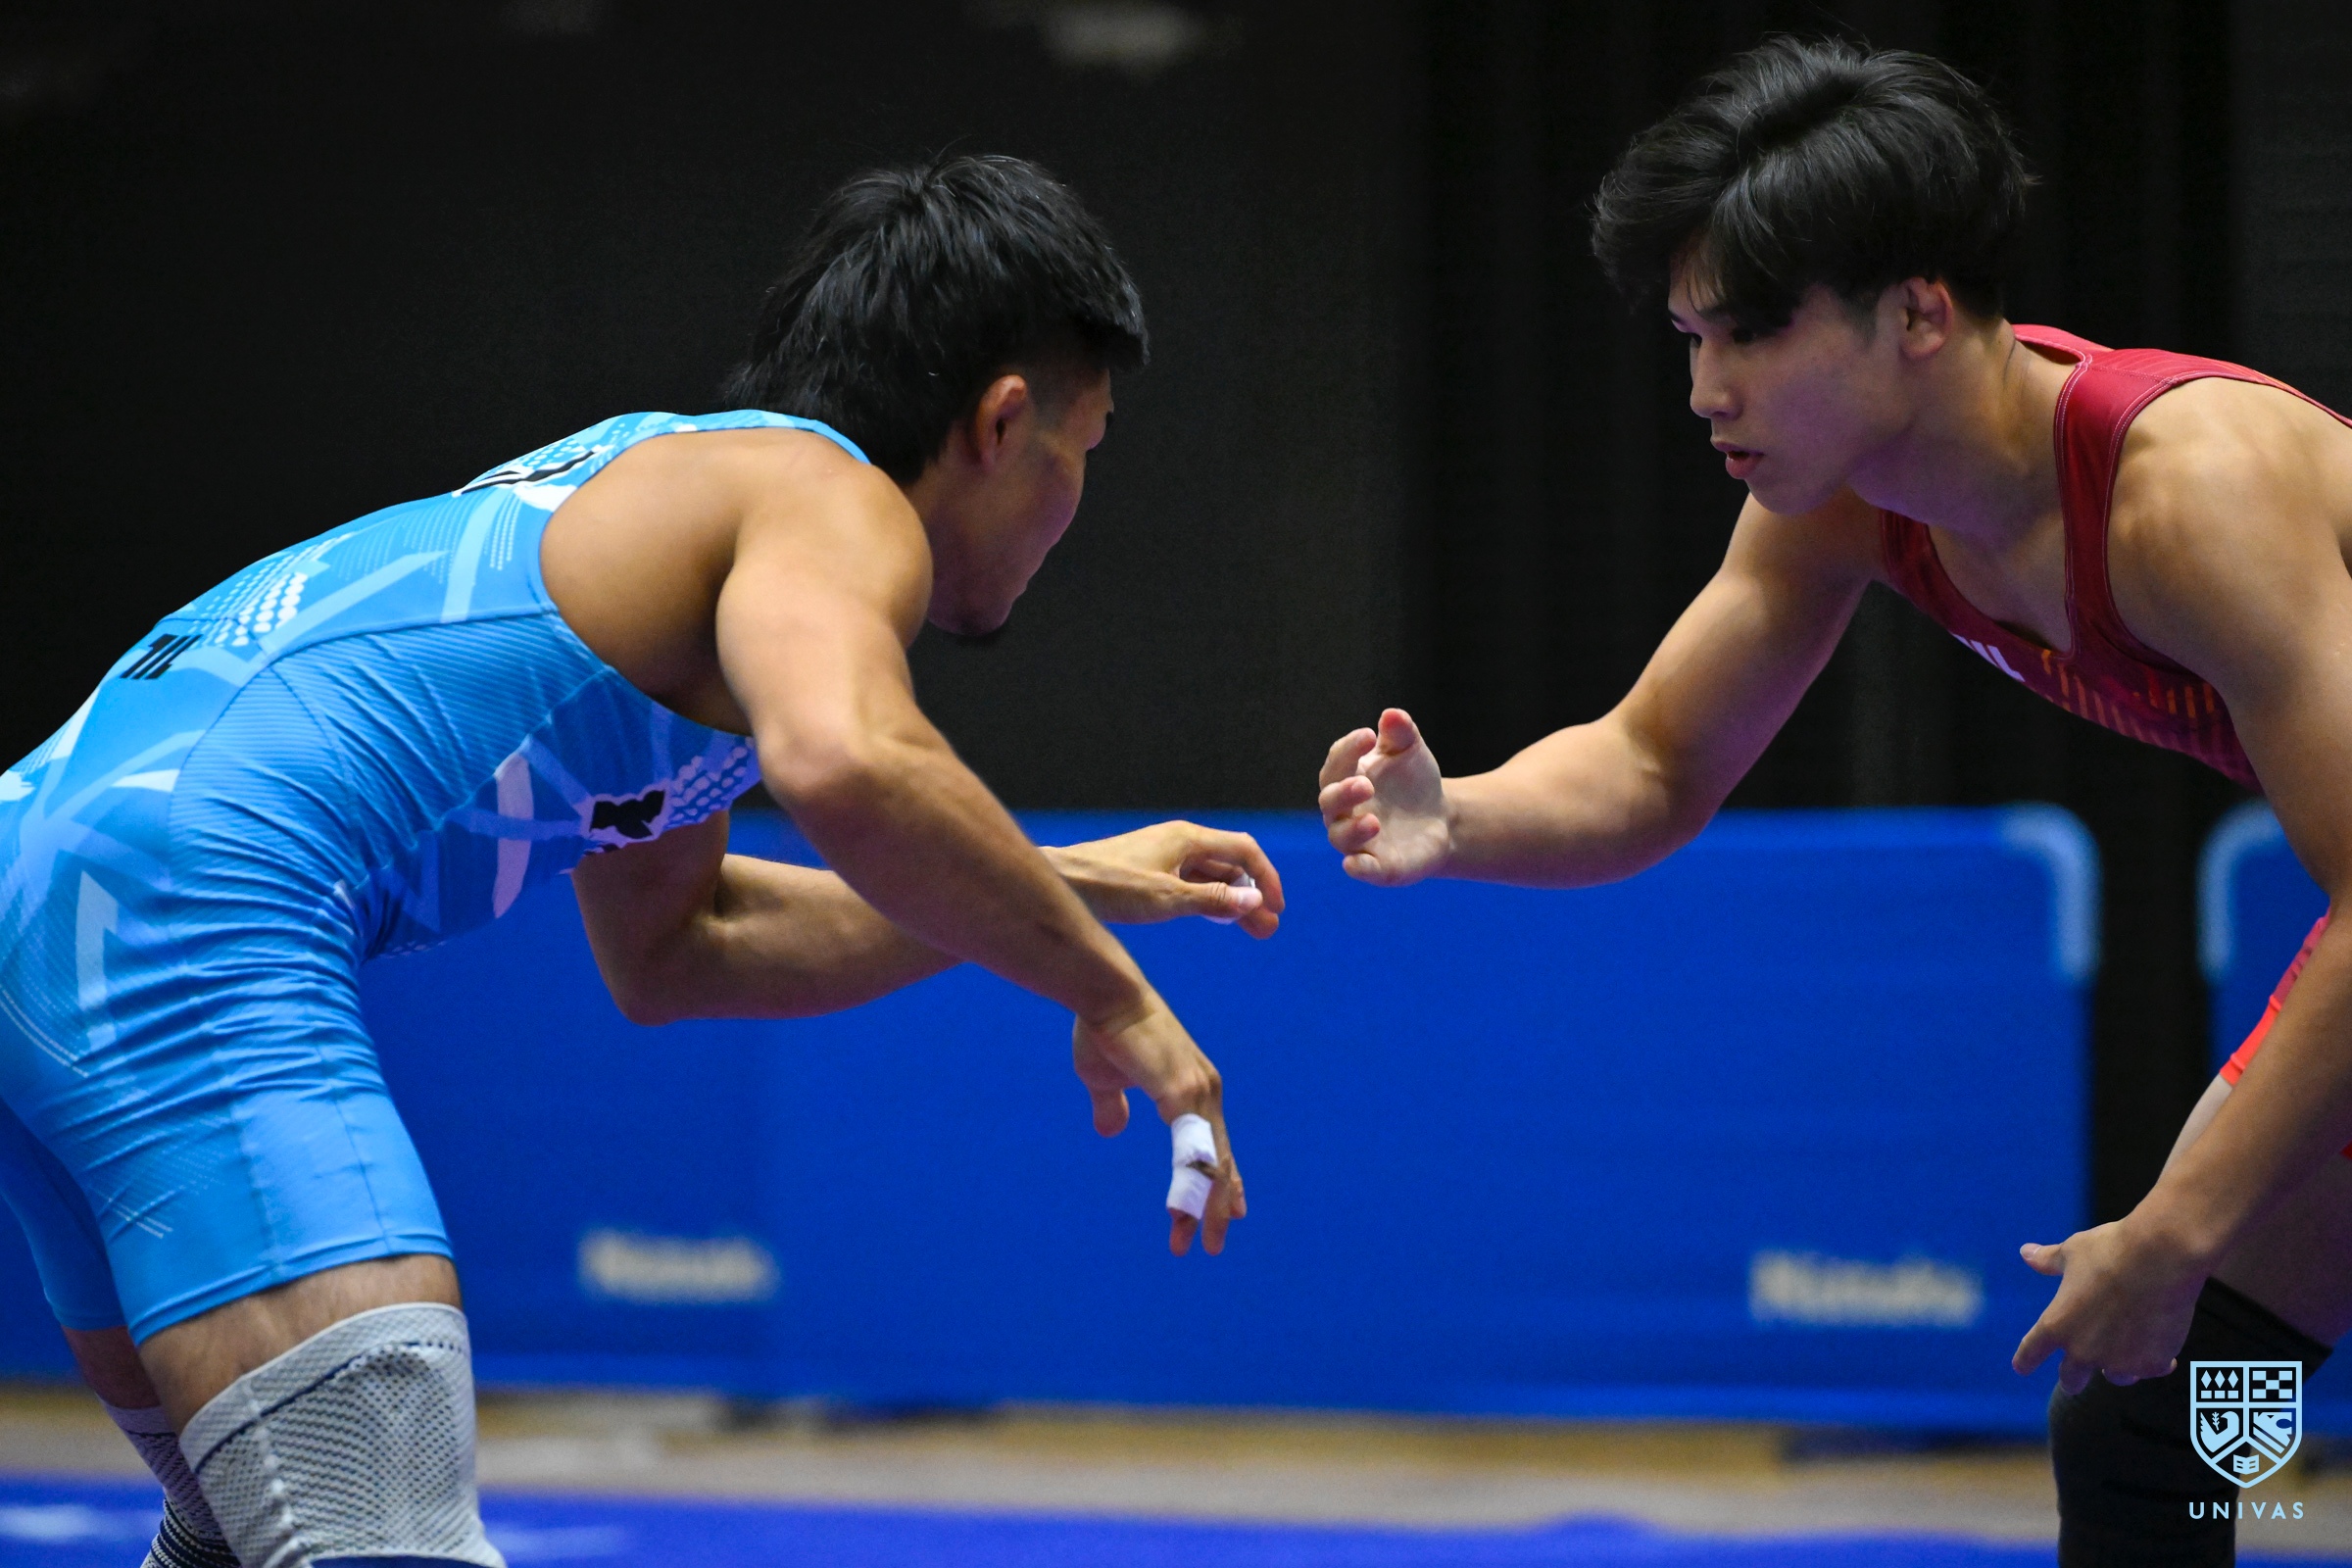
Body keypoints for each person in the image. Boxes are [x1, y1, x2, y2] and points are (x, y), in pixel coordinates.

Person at [0, 154, 1275, 1568]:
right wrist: (1111, 993)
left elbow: (686, 945)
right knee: (382, 1531)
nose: (1073, 505)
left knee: (246, 1531)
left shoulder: (674, 497)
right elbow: (851, 765)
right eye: (1080, 452)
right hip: (185, 905)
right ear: (1001, 419)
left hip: (48, 886)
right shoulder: (829, 495)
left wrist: (1065, 886)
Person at [1318, 37, 2352, 1565]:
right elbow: (1657, 763)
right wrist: (1457, 819)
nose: (1704, 390)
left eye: (1748, 333)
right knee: (2159, 1418)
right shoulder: (1845, 505)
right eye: (1689, 338)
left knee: (2168, 1362)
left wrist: (2178, 1227)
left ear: (1919, 314)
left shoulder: (2189, 492)